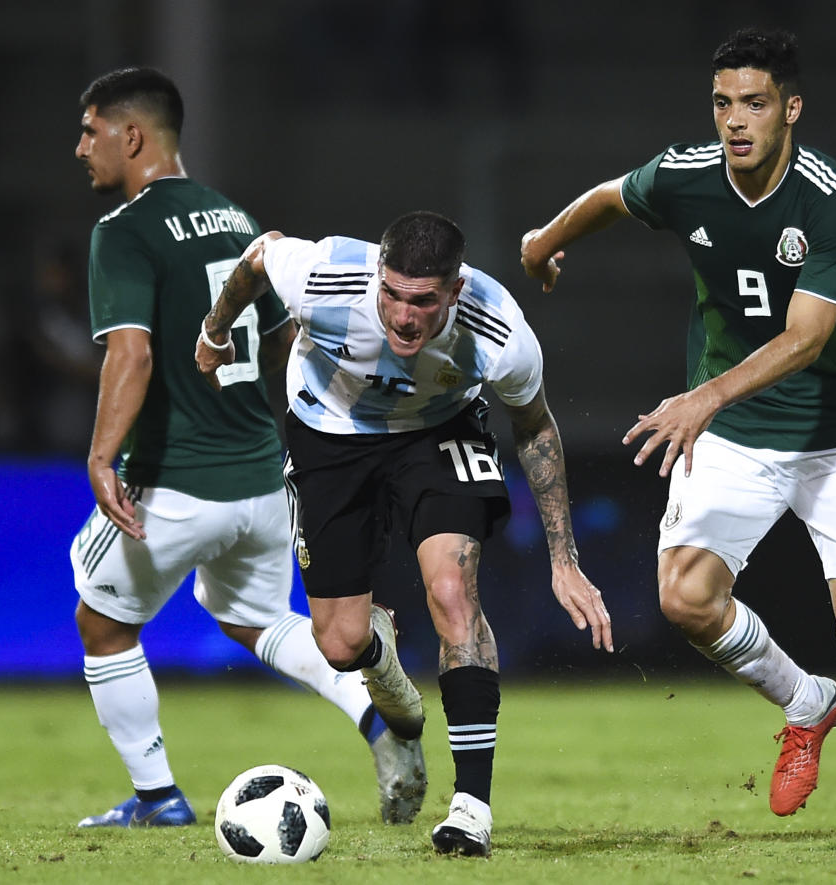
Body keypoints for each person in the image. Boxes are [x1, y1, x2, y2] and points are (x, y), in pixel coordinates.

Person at [520, 27, 836, 840]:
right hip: (740, 434)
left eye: (755, 104)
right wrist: (544, 241)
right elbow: (608, 197)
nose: (736, 121)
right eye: (723, 103)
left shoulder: (831, 196)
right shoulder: (688, 175)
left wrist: (703, 397)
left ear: (790, 110)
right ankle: (806, 704)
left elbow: (806, 337)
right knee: (685, 597)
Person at [69, 66, 426, 830]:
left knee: (101, 621)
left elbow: (128, 353)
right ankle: (379, 720)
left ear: (131, 136)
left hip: (178, 478)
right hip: (263, 478)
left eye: (90, 129)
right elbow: (281, 337)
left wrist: (103, 456)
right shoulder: (236, 220)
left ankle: (159, 798)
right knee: (257, 618)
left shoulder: (123, 231)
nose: (81, 148)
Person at [195, 210, 615, 857]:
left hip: (438, 432)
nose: (403, 316)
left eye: (423, 301)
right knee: (340, 641)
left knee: (451, 589)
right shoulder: (327, 275)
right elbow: (260, 256)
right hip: (329, 436)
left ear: (455, 289)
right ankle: (389, 681)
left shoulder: (496, 328)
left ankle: (471, 808)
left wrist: (564, 556)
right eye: (390, 294)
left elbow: (533, 426)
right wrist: (217, 329)